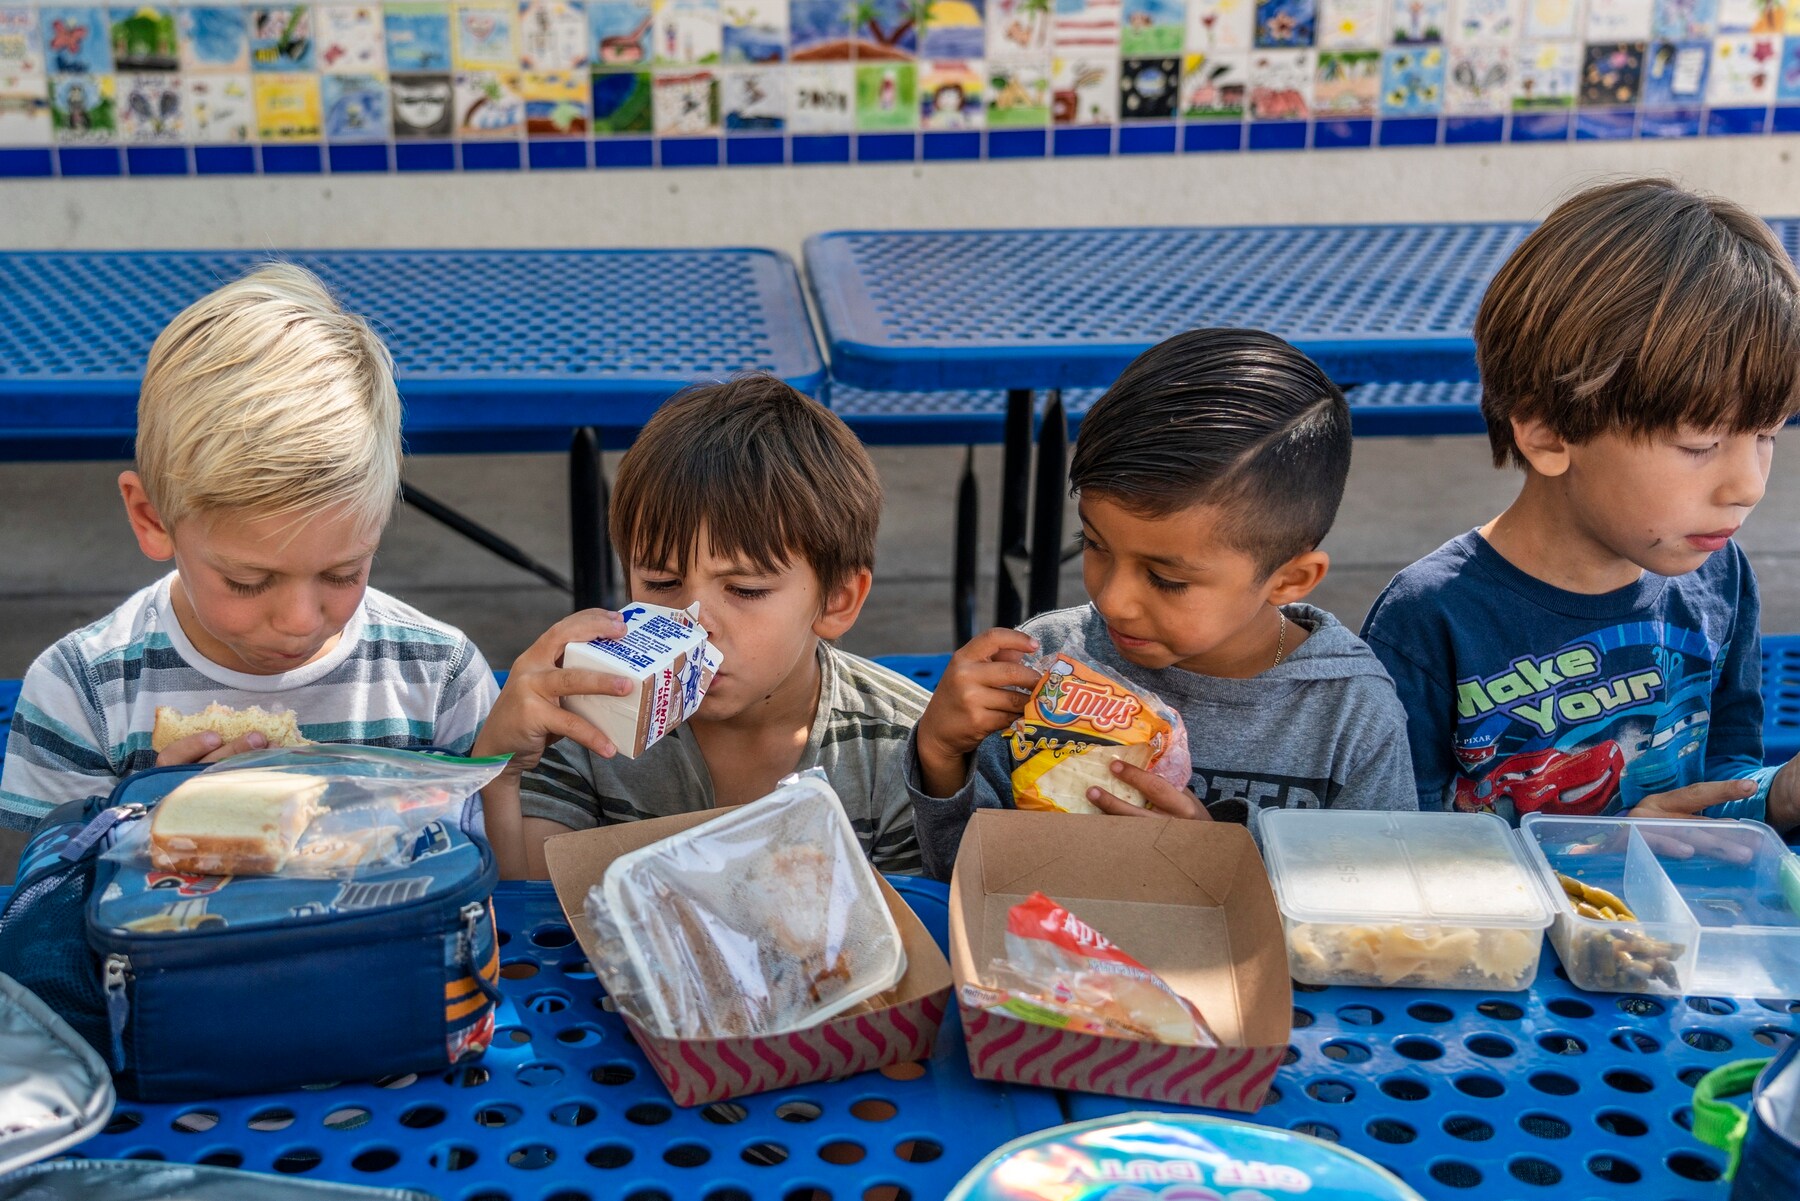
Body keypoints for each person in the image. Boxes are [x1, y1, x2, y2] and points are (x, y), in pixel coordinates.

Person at [0, 263, 498, 848]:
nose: (299, 621)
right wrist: (147, 825)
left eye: (343, 573)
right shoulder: (83, 691)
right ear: (151, 519)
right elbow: (44, 915)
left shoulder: (438, 678)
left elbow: (495, 880)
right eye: (248, 581)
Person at [1362, 178, 1800, 832]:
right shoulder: (1430, 619)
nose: (1748, 485)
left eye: (1765, 434)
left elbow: (1723, 769)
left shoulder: (1720, 575)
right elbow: (1399, 848)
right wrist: (1611, 847)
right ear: (1547, 433)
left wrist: (1779, 793)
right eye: (1700, 442)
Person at [908, 328, 1417, 880]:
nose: (1113, 600)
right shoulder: (1053, 660)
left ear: (1291, 579)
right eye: (1094, 545)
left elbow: (1379, 917)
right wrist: (940, 754)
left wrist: (1216, 868)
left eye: (1166, 578)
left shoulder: (1349, 714)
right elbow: (965, 880)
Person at [474, 375, 928, 879]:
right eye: (662, 582)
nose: (695, 623)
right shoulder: (586, 721)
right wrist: (501, 770)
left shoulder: (902, 750)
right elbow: (535, 929)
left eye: (745, 590)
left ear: (837, 600)